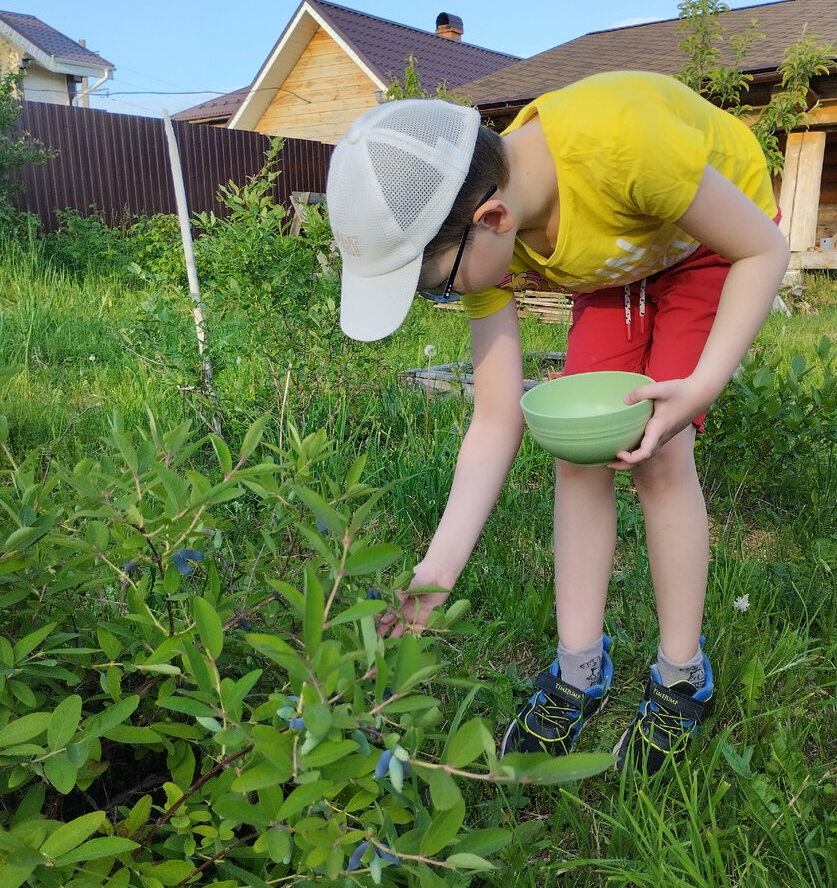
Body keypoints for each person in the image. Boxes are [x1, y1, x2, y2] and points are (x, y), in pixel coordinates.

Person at [325, 72, 790, 773]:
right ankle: (578, 670)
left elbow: (764, 250)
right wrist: (437, 570)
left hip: (711, 243)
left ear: (492, 222)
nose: (451, 299)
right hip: (620, 257)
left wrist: (699, 388)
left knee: (659, 454)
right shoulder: (490, 226)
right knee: (580, 447)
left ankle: (681, 675)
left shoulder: (625, 145)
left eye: (442, 289)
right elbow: (495, 419)